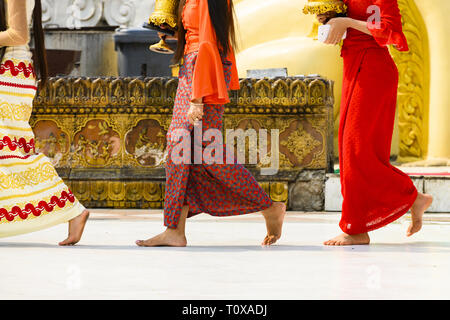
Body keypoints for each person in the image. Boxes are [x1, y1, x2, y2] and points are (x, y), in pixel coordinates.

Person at [136, 0, 286, 247]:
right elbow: (198, 35)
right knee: (186, 155)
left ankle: (268, 206)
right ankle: (174, 229)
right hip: (197, 66)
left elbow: (207, 43)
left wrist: (197, 98)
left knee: (200, 150)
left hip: (203, 70)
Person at [317, 0, 433, 246]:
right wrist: (330, 19)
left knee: (357, 150)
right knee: (351, 151)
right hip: (353, 64)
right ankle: (413, 199)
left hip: (372, 67)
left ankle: (356, 228)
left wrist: (346, 22)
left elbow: (389, 30)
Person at [0, 0, 89, 245]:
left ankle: (71, 208)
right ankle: (71, 208)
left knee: (13, 152)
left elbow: (17, 34)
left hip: (10, 74)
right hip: (9, 73)